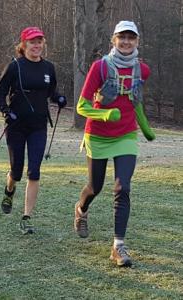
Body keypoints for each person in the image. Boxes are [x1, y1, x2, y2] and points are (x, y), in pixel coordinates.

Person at [74, 21, 155, 267]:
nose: (126, 42)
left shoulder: (142, 70)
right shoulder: (100, 68)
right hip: (98, 135)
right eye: (122, 37)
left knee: (123, 187)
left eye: (131, 37)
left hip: (126, 136)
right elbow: (81, 106)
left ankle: (118, 245)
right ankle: (80, 209)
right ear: (114, 40)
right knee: (95, 187)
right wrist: (106, 114)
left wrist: (146, 128)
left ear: (137, 41)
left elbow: (135, 101)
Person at [0, 26, 66, 234]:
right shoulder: (14, 66)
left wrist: (59, 98)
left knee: (34, 172)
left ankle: (26, 217)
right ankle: (9, 190)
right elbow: (0, 93)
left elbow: (51, 92)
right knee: (16, 172)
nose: (36, 45)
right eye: (32, 41)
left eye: (39, 41)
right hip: (16, 126)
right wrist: (6, 111)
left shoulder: (48, 68)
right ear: (24, 44)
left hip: (38, 126)